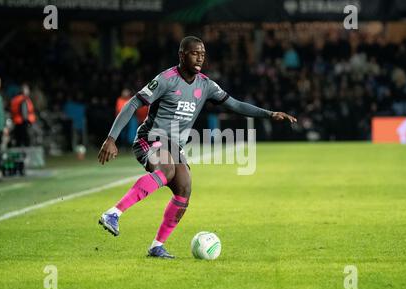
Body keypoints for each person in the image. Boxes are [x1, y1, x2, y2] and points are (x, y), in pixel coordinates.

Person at [97, 36, 297, 259]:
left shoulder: (206, 84)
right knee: (167, 170)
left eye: (203, 53)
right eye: (195, 53)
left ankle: (156, 246)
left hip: (174, 146)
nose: (200, 56)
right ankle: (113, 214)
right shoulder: (166, 79)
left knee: (184, 188)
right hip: (150, 138)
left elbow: (235, 104)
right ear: (182, 55)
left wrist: (269, 114)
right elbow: (134, 102)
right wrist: (111, 138)